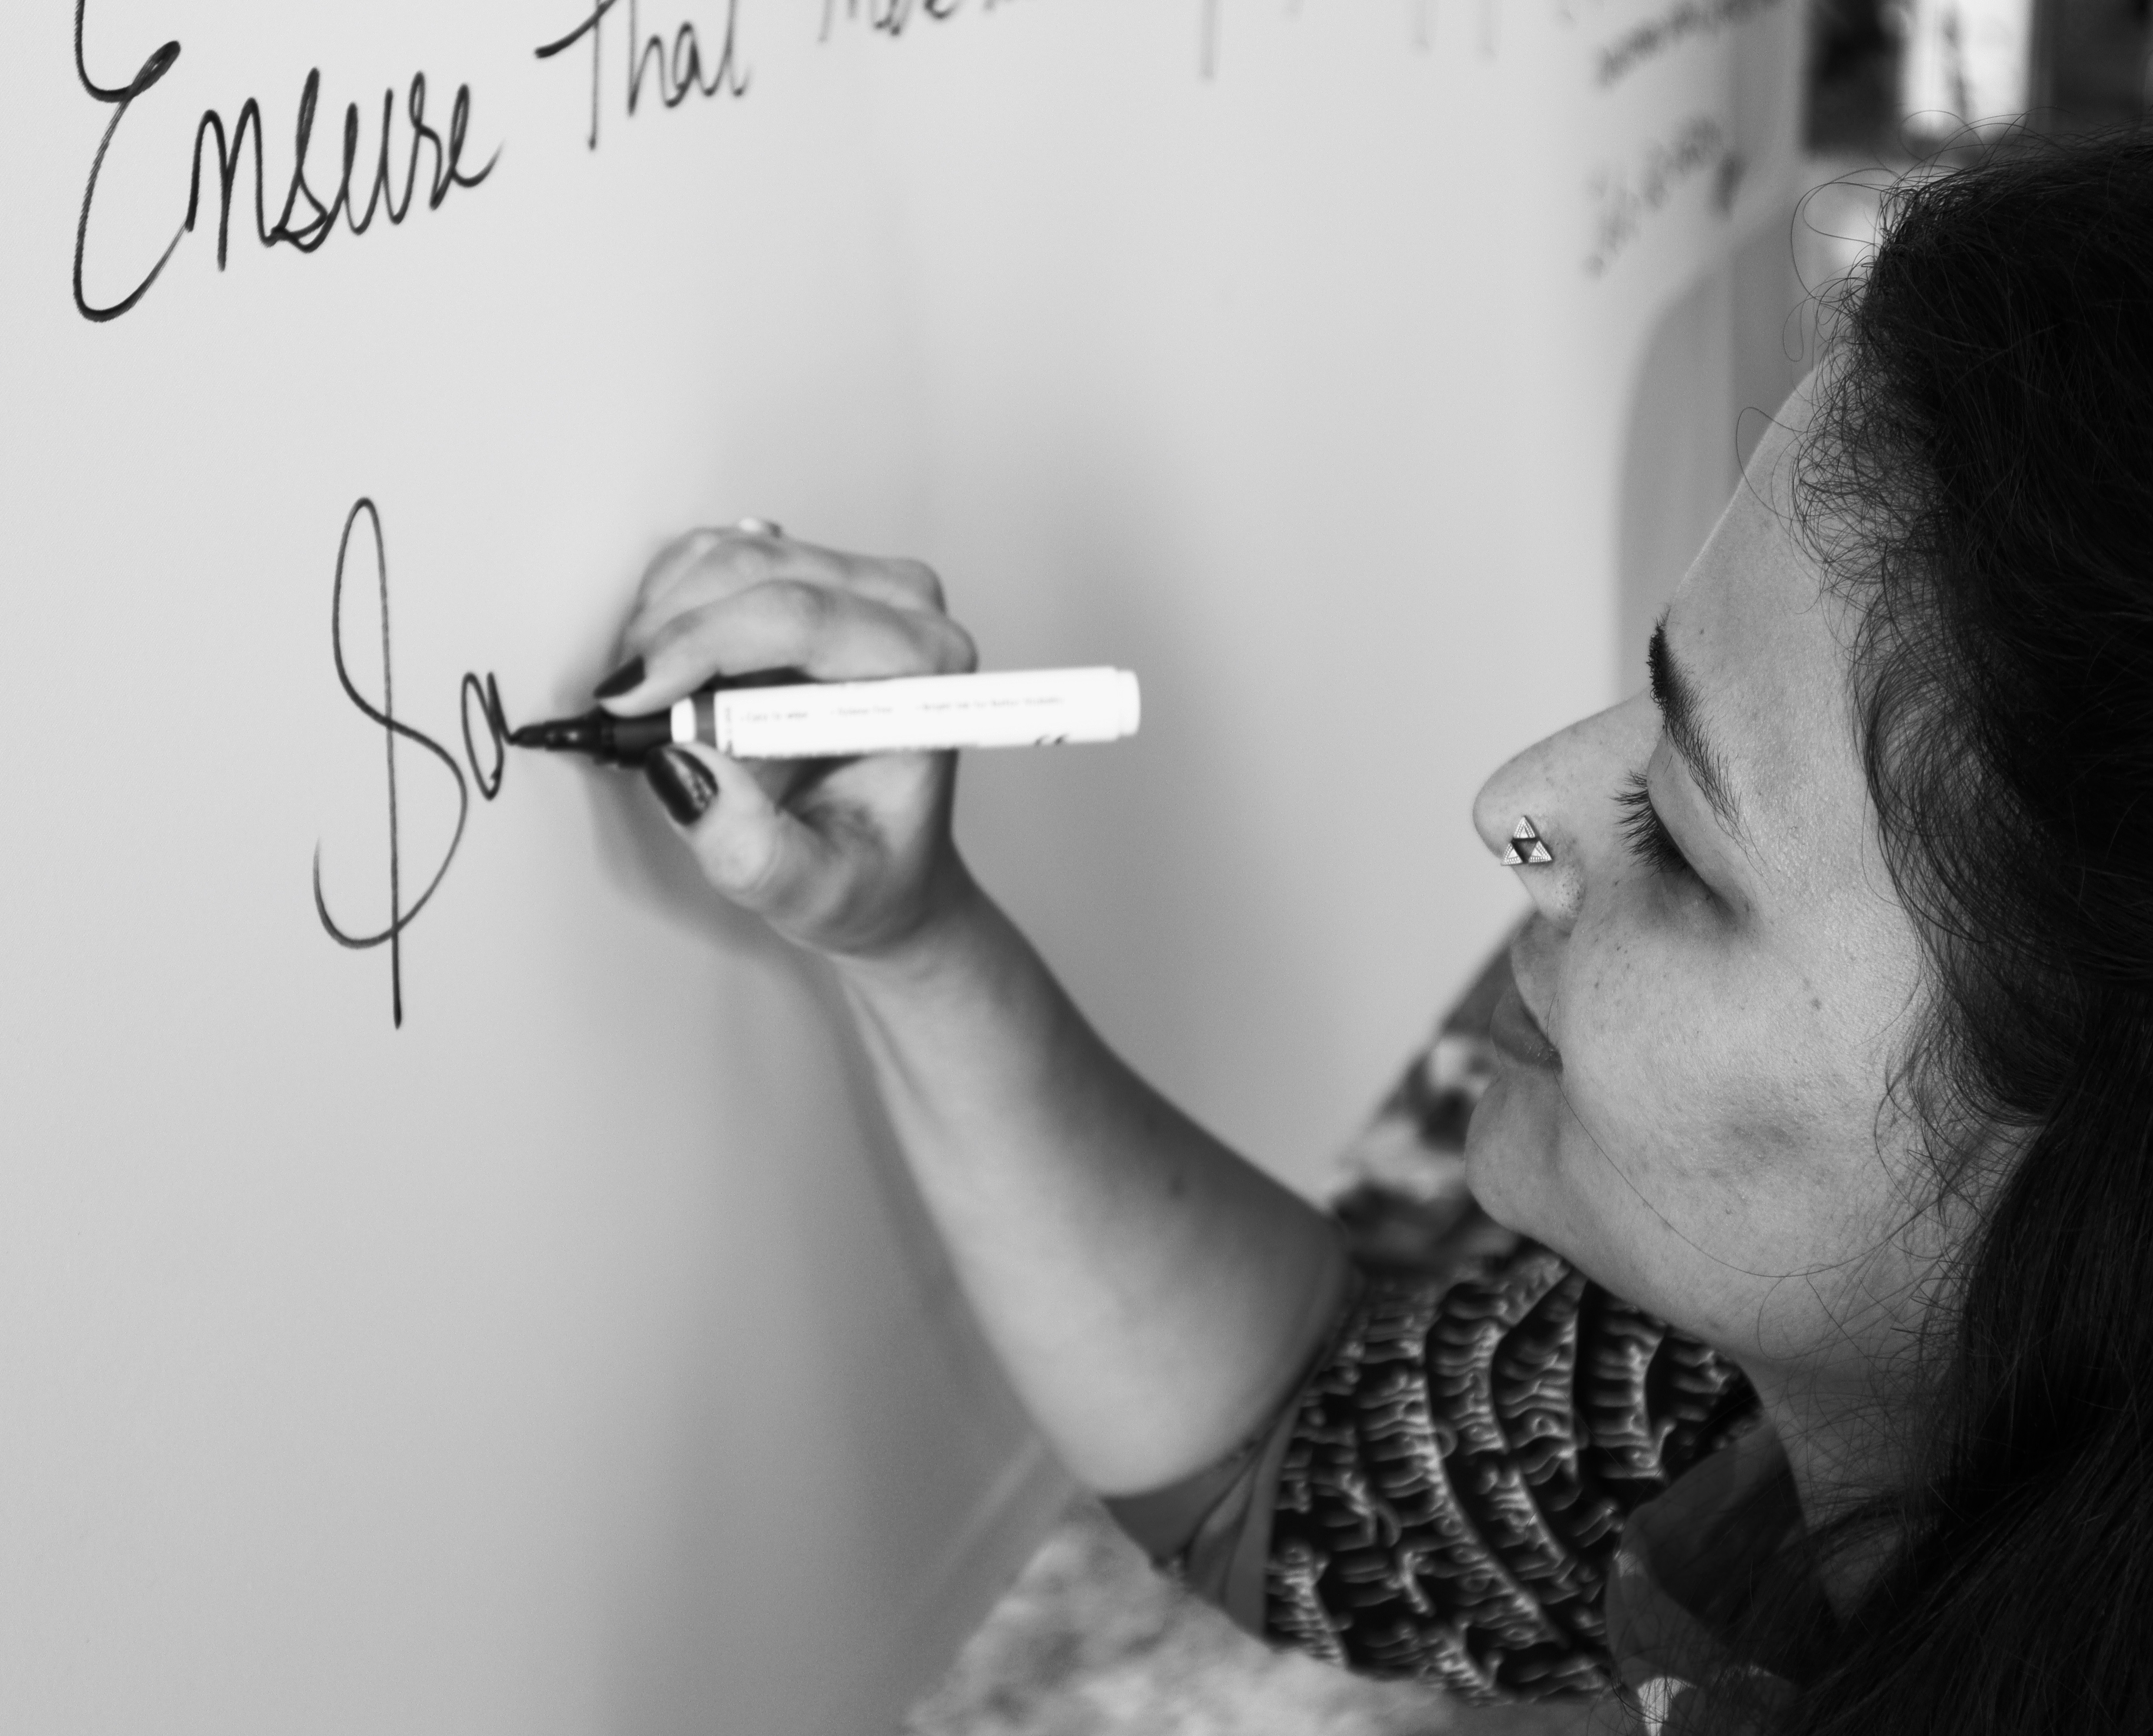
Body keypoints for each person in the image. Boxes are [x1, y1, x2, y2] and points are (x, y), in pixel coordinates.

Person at [587, 129, 2153, 1733]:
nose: (1515, 809)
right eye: (1645, 703)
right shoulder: (1770, 1417)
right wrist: (911, 934)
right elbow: (1306, 1469)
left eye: (1683, 845)